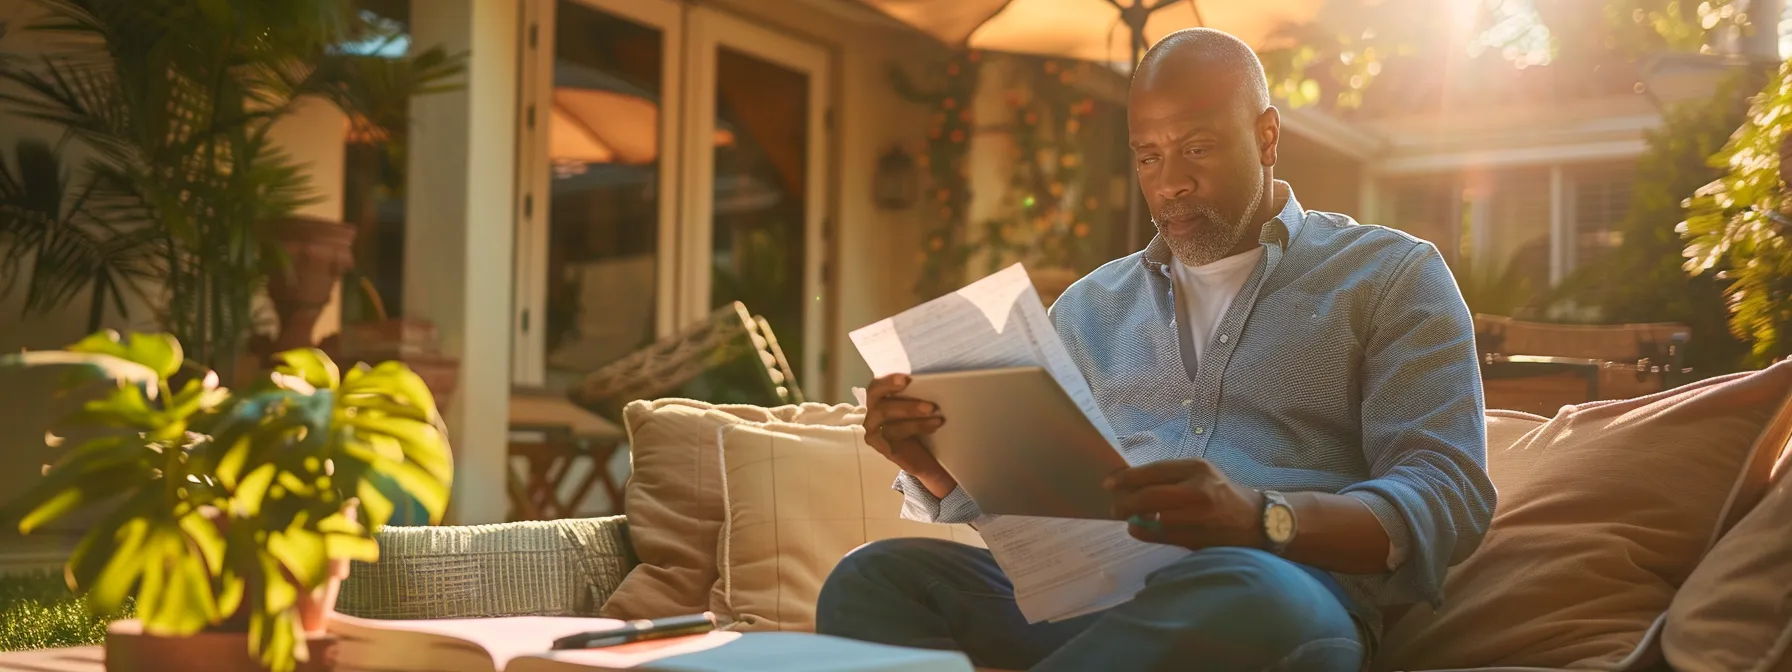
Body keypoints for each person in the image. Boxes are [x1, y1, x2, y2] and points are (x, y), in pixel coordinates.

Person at [814, 27, 1498, 672]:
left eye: (1196, 148)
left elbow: (1448, 490)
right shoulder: (1089, 307)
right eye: (1149, 155)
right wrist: (933, 466)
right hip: (1089, 601)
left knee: (1245, 592)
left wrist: (1263, 519)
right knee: (875, 578)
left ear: (1266, 137)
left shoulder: (1390, 275)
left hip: (1277, 590)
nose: (1170, 181)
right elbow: (1036, 495)